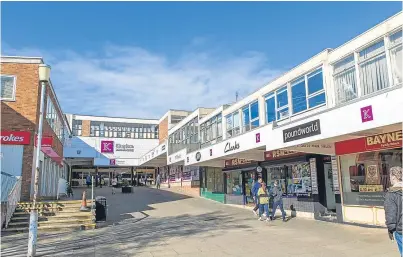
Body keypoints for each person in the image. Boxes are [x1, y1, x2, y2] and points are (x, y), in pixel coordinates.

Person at [384, 166, 402, 255]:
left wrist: (391, 229)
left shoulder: (391, 194)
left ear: (394, 177)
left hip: (401, 230)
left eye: (390, 176)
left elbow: (390, 215)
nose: (390, 179)